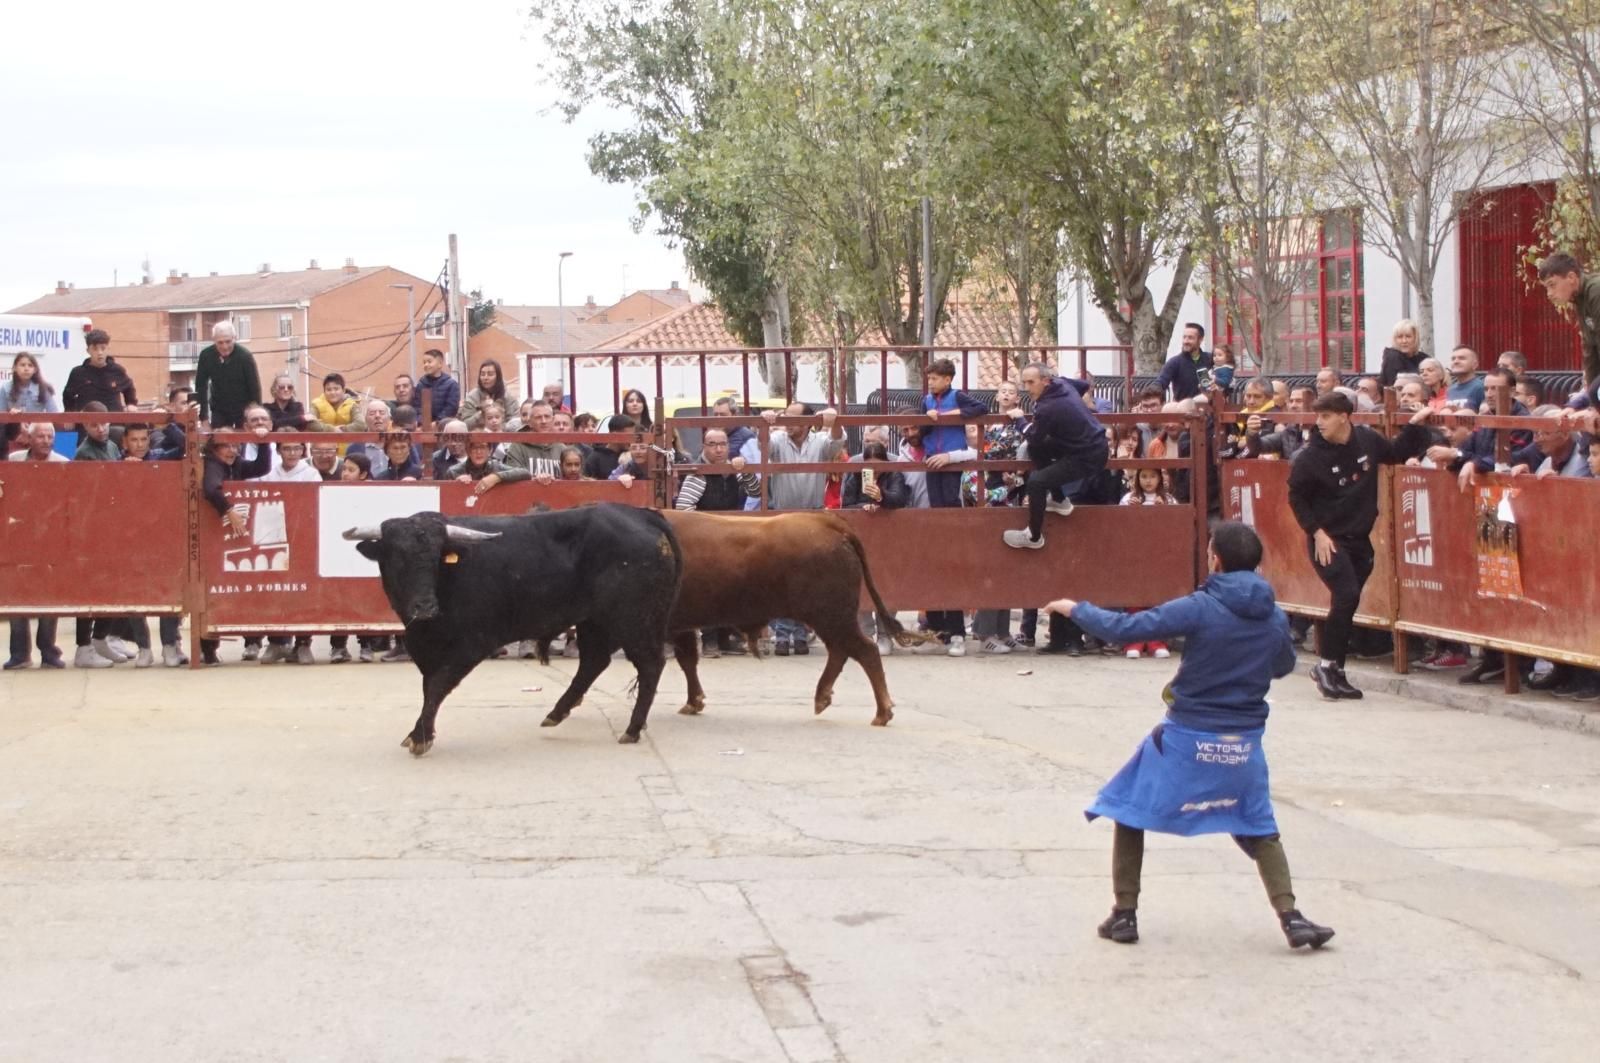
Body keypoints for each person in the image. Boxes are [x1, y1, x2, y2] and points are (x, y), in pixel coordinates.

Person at [1044, 522, 1335, 952]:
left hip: (1187, 738)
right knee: (1257, 825)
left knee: (1128, 807)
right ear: (1257, 563)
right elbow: (1281, 666)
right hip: (1244, 744)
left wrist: (1075, 609)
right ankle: (1292, 918)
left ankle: (1124, 915)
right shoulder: (1273, 615)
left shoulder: (1200, 606)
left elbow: (1128, 629)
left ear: (1215, 558)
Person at [1288, 392, 1432, 699]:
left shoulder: (1366, 440)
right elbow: (1296, 498)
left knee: (1347, 603)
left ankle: (1335, 669)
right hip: (1328, 539)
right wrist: (1316, 532)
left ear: (1344, 416)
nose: (1320, 423)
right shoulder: (1310, 457)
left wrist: (1417, 425)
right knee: (1346, 594)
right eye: (1318, 416)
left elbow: (1395, 452)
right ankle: (1326, 665)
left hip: (1359, 538)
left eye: (1326, 416)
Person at [919, 358, 990, 655]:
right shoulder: (926, 400)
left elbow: (980, 409)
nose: (932, 383)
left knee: (950, 504)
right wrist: (929, 418)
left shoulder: (957, 396)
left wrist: (950, 414)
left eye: (936, 378)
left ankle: (956, 630)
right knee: (936, 510)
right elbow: (921, 429)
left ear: (948, 379)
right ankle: (940, 629)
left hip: (950, 461)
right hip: (932, 462)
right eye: (930, 378)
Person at [1002, 363, 1107, 550]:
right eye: (1024, 383)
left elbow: (1033, 435)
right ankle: (1059, 500)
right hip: (1084, 445)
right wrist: (1074, 411)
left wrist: (1019, 419)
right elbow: (1083, 385)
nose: (1027, 388)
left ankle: (1033, 537)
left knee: (1036, 482)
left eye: (1031, 382)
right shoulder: (1062, 383)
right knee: (1037, 449)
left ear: (1045, 381)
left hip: (1088, 456)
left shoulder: (1048, 407)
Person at [4, 423, 68, 670]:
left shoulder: (62, 462)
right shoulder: (14, 460)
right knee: (17, 595)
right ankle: (20, 654)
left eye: (49, 436)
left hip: (50, 536)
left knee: (49, 596)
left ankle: (48, 651)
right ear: (28, 438)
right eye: (40, 436)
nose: (45, 440)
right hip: (19, 534)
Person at [1538, 252, 1599, 398]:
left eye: (1552, 285)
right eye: (1546, 288)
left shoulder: (1596, 290)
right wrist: (1593, 400)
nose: (1549, 294)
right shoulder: (1579, 298)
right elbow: (1590, 349)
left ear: (1571, 277)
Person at [193, 321, 261, 429]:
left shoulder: (245, 356)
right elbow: (201, 387)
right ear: (214, 340)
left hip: (243, 408)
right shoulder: (206, 355)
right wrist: (204, 418)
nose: (225, 346)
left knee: (243, 441)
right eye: (220, 343)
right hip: (219, 408)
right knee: (219, 441)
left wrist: (255, 415)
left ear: (234, 338)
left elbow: (254, 388)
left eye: (228, 341)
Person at [675, 427, 760, 511]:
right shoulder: (698, 472)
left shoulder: (732, 467)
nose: (719, 450)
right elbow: (683, 508)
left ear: (728, 446)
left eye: (723, 444)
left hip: (731, 522)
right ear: (704, 447)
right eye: (712, 445)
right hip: (708, 523)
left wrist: (745, 470)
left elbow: (756, 493)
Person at [62, 328, 136, 412]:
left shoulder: (117, 370)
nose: (99, 353)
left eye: (103, 348)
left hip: (114, 422)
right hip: (86, 422)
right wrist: (71, 412)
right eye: (95, 349)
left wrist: (131, 404)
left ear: (108, 349)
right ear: (88, 351)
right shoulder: (78, 373)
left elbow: (129, 388)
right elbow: (68, 396)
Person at [1153, 322, 1212, 401]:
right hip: (1182, 410)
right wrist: (1149, 395)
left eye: (1190, 338)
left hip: (1209, 409)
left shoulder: (1210, 359)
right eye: (1184, 337)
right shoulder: (1174, 362)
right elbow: (1161, 382)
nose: (1185, 341)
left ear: (1200, 339)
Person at [415, 348, 460, 426]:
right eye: (424, 362)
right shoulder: (421, 385)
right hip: (424, 426)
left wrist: (437, 423)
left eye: (429, 361)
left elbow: (451, 408)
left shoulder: (451, 385)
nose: (426, 365)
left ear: (440, 364)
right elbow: (417, 407)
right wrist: (422, 422)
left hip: (445, 425)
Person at [458, 360, 509, 428]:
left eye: (490, 374)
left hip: (503, 436)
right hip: (478, 435)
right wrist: (481, 413)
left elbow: (514, 422)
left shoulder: (508, 397)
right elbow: (465, 424)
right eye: (482, 374)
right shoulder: (472, 397)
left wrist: (497, 426)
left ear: (498, 377)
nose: (485, 377)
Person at [583, 414, 635, 480]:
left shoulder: (633, 455)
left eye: (633, 436)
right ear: (614, 435)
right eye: (628, 436)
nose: (631, 439)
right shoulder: (595, 458)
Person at [1379, 319, 1427, 388]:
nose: (1404, 341)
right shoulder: (1393, 357)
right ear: (1394, 339)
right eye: (1400, 337)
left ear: (1415, 338)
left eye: (1408, 336)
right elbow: (1393, 386)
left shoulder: (1423, 358)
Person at [1444, 346, 1485, 411]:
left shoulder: (1481, 387)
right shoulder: (1450, 390)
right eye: (1453, 359)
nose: (1456, 361)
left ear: (1475, 364)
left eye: (1462, 358)